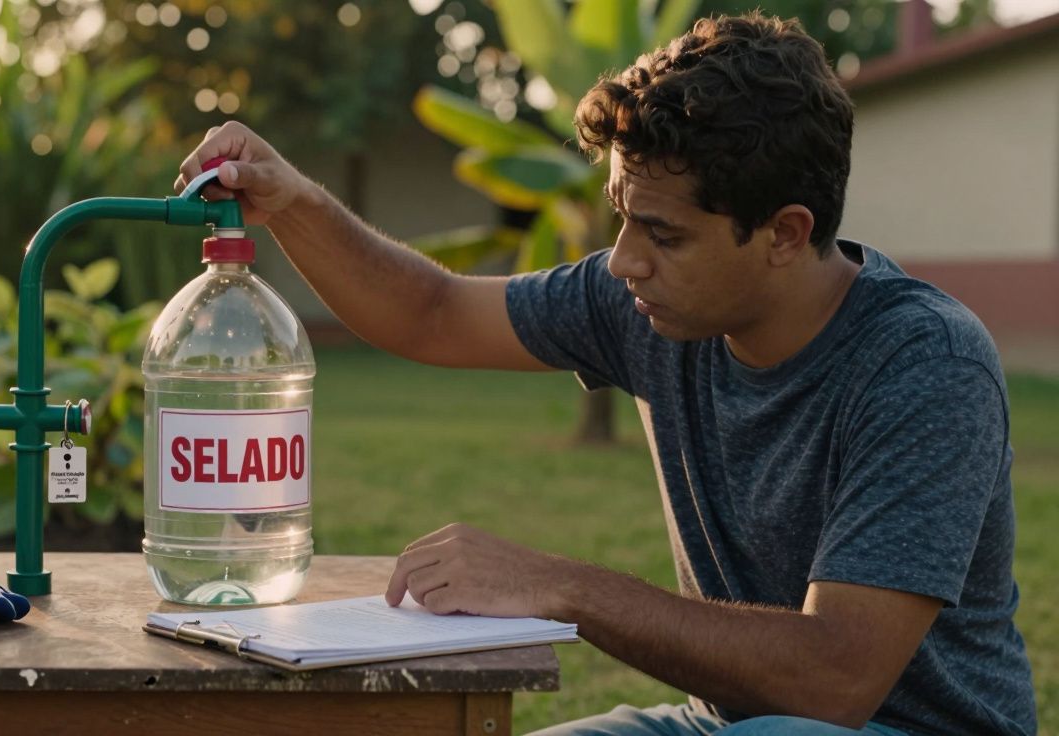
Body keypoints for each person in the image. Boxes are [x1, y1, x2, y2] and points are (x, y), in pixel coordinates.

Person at [174, 13, 1035, 735]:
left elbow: (836, 679)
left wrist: (562, 586)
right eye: (621, 218)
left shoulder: (923, 364)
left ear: (782, 233)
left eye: (662, 235)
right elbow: (432, 311)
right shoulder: (648, 301)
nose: (623, 262)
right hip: (728, 724)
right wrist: (293, 199)